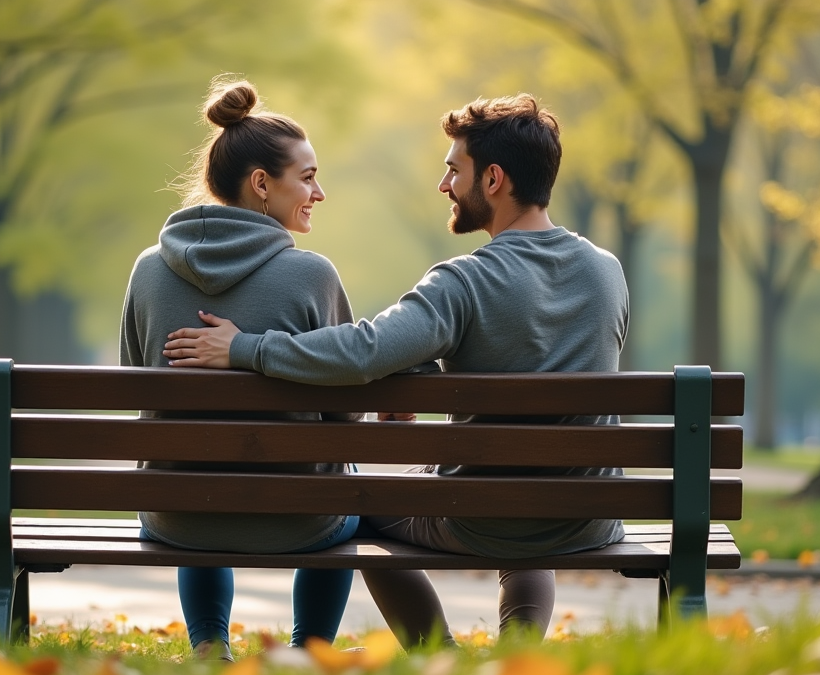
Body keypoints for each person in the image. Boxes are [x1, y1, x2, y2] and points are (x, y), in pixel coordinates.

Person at [162, 92, 630, 646]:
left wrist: (246, 348)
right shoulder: (607, 272)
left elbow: (362, 351)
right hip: (589, 514)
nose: (444, 185)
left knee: (361, 502)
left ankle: (437, 652)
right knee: (529, 492)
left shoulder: (462, 283)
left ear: (495, 179)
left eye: (454, 170)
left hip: (480, 518)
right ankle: (518, 653)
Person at [119, 77, 360, 661]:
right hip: (299, 518)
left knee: (200, 492)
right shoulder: (312, 276)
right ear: (261, 185)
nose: (318, 192)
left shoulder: (149, 270)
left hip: (176, 512)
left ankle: (208, 645)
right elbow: (346, 407)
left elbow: (134, 377)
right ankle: (312, 647)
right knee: (349, 485)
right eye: (307, 177)